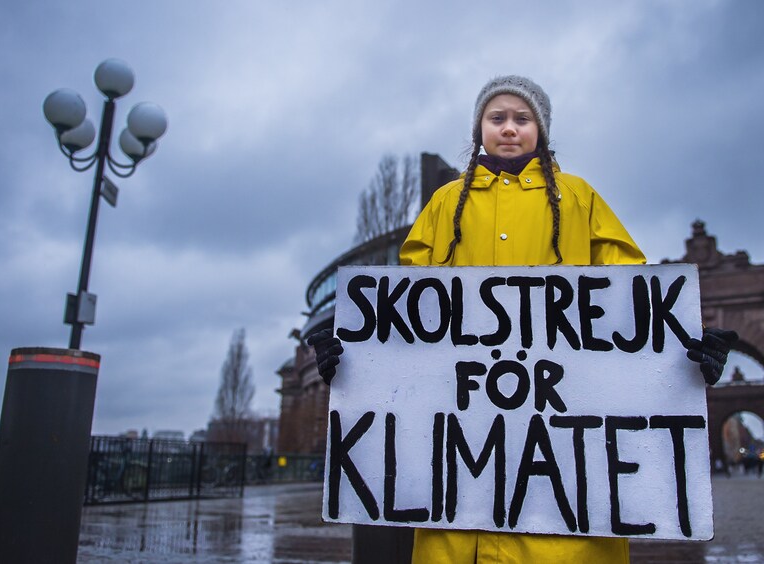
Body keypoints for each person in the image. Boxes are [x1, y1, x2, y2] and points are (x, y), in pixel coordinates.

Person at [309, 75, 738, 564]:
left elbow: (629, 305)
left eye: (522, 118)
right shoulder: (445, 205)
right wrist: (357, 356)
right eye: (497, 118)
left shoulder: (581, 199)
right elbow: (409, 317)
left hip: (567, 522)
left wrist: (682, 349)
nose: (509, 128)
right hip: (457, 514)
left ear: (542, 129)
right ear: (479, 130)